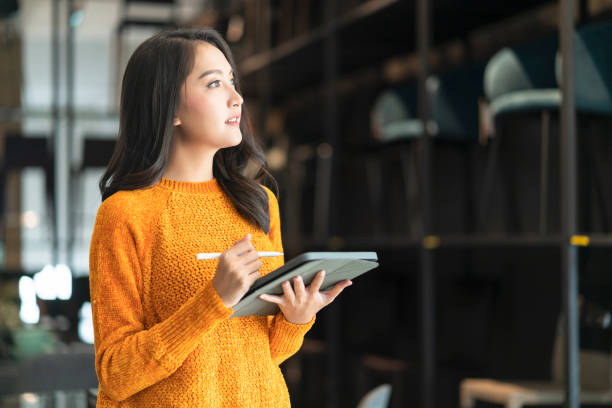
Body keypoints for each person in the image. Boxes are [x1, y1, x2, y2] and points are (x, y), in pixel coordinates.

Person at [89, 28, 352, 407]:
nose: (237, 98)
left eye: (232, 81)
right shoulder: (125, 214)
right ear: (170, 107)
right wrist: (213, 301)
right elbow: (116, 374)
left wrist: (296, 319)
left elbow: (258, 357)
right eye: (214, 84)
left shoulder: (258, 203)